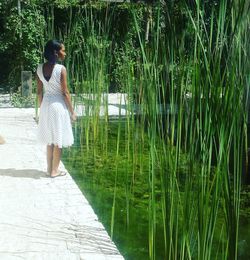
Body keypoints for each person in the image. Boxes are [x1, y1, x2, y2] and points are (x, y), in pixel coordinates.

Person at [36, 39, 77, 178]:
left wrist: (42, 109)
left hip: (46, 106)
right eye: (62, 50)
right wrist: (72, 112)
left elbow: (39, 92)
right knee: (58, 140)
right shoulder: (61, 69)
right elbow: (65, 93)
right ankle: (55, 171)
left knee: (50, 140)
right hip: (58, 106)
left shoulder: (39, 68)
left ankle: (49, 169)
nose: (64, 52)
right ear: (55, 52)